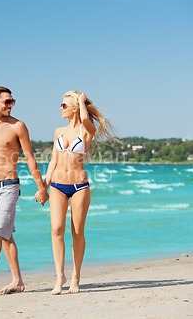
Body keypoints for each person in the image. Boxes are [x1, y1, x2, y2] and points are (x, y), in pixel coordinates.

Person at [41, 90, 118, 295]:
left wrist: (82, 101)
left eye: (64, 105)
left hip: (79, 187)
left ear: (75, 107)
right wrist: (44, 186)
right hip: (57, 185)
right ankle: (60, 277)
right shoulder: (58, 131)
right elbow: (53, 161)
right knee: (56, 230)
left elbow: (85, 119)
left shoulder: (86, 131)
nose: (60, 108)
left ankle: (75, 276)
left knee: (77, 232)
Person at [0, 86, 49, 297]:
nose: (11, 105)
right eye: (7, 101)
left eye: (12, 101)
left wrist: (41, 188)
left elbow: (30, 158)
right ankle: (18, 281)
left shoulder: (18, 126)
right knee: (6, 236)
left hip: (9, 186)